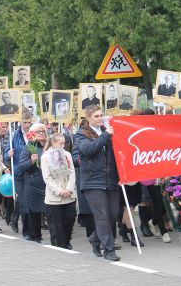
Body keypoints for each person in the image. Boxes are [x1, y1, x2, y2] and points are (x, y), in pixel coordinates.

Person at [74, 105, 121, 261]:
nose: (100, 118)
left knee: (112, 215)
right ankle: (109, 250)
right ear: (88, 118)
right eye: (96, 116)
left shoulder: (109, 132)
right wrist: (106, 135)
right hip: (92, 181)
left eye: (101, 115)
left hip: (111, 179)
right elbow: (89, 150)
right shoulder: (81, 135)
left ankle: (95, 239)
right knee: (101, 216)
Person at [42, 132, 77, 249]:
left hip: (68, 193)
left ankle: (67, 239)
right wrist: (59, 191)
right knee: (58, 222)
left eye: (64, 143)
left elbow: (72, 172)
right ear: (54, 143)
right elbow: (47, 177)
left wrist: (69, 188)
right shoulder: (46, 156)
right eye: (60, 143)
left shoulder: (67, 154)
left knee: (71, 217)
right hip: (55, 197)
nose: (63, 145)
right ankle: (62, 244)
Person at [17, 123, 47, 242]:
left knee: (48, 210)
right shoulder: (30, 147)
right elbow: (22, 167)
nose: (41, 133)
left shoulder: (48, 146)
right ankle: (34, 236)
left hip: (46, 183)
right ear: (33, 134)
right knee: (33, 211)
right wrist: (31, 161)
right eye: (38, 131)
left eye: (43, 131)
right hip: (33, 183)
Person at [10, 111, 33, 236]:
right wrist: (9, 152)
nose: (27, 125)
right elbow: (6, 148)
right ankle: (26, 231)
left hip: (30, 171)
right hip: (19, 171)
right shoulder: (14, 134)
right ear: (20, 122)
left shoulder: (33, 134)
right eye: (25, 122)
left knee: (27, 200)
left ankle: (14, 218)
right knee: (23, 200)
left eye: (29, 122)